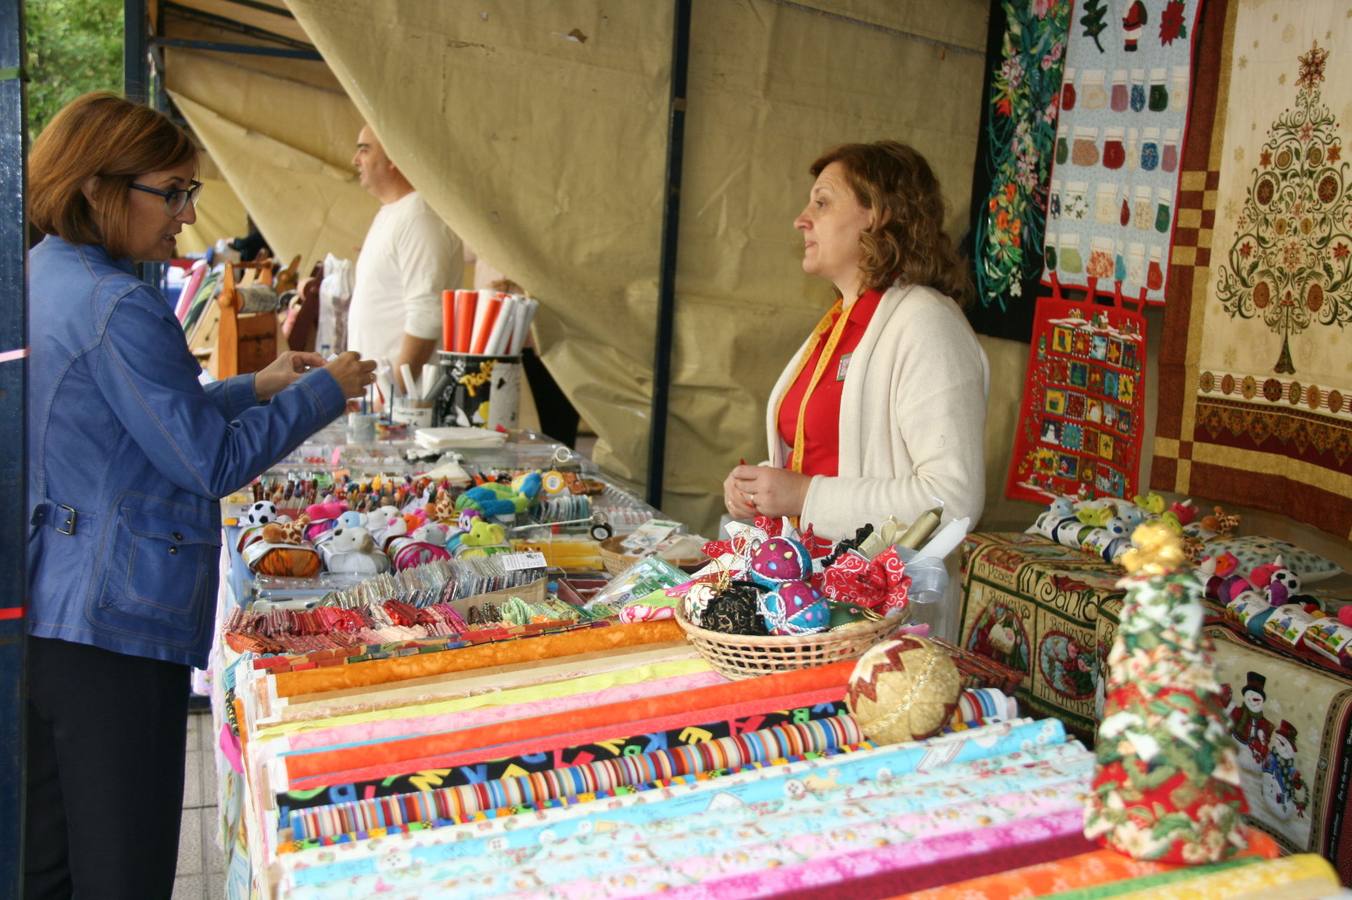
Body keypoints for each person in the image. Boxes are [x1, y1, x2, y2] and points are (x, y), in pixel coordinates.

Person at [24, 92, 376, 899]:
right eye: (172, 191)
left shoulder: (47, 275)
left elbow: (138, 426)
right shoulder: (120, 305)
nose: (186, 215)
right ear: (96, 188)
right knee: (123, 865)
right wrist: (326, 393)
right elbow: (209, 462)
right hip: (110, 624)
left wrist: (253, 385)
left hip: (53, 603)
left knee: (48, 857)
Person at [723, 140, 988, 565]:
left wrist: (803, 494)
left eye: (822, 203)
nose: (801, 220)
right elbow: (832, 457)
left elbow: (951, 501)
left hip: (881, 610)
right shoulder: (840, 323)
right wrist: (761, 486)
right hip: (817, 587)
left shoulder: (927, 323)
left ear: (879, 214)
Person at [349, 123, 463, 393]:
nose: (355, 160)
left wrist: (396, 394)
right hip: (382, 399)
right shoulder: (395, 212)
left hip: (405, 407)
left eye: (364, 150)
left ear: (394, 158)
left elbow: (426, 315)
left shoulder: (419, 216)